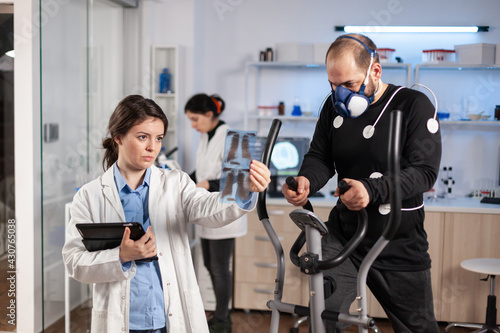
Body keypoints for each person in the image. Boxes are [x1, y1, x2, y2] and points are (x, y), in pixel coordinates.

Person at [62, 95, 271, 333]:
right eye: (143, 137)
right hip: (121, 321)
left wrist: (244, 189)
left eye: (159, 138)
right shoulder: (89, 196)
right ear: (118, 138)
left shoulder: (176, 183)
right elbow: (73, 262)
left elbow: (209, 208)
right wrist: (121, 255)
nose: (153, 147)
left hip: (169, 319)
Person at [282, 34, 442, 332]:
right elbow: (320, 157)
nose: (339, 95)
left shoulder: (413, 105)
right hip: (344, 236)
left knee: (418, 327)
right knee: (326, 317)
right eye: (332, 85)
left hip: (396, 240)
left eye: (349, 85)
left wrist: (371, 190)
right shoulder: (332, 109)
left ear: (375, 71)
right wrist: (306, 181)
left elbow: (424, 173)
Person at [184, 93, 244, 333]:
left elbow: (239, 181)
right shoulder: (206, 136)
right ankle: (219, 315)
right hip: (206, 212)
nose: (193, 125)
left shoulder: (235, 138)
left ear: (210, 115)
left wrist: (208, 184)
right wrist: (181, 180)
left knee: (220, 267)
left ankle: (223, 320)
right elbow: (202, 171)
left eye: (195, 119)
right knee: (209, 263)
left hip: (224, 214)